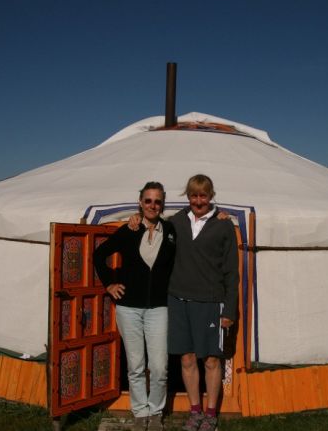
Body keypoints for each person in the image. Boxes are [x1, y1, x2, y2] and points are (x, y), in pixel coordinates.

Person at [94, 182, 176, 431]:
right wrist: (109, 284)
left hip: (159, 307)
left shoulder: (172, 230)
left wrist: (219, 216)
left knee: (160, 366)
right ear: (140, 202)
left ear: (163, 204)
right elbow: (100, 254)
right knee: (136, 364)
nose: (153, 205)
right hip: (128, 307)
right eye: (148, 200)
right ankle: (141, 413)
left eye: (158, 201)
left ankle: (156, 411)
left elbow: (195, 224)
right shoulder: (128, 230)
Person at [160, 174, 239, 431]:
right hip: (179, 299)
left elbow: (231, 271)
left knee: (212, 360)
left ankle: (211, 413)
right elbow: (153, 231)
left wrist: (229, 309)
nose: (198, 200)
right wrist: (137, 219)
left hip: (210, 301)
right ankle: (195, 411)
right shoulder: (176, 222)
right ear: (188, 196)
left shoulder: (224, 225)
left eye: (203, 195)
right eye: (193, 195)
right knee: (186, 359)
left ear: (211, 196)